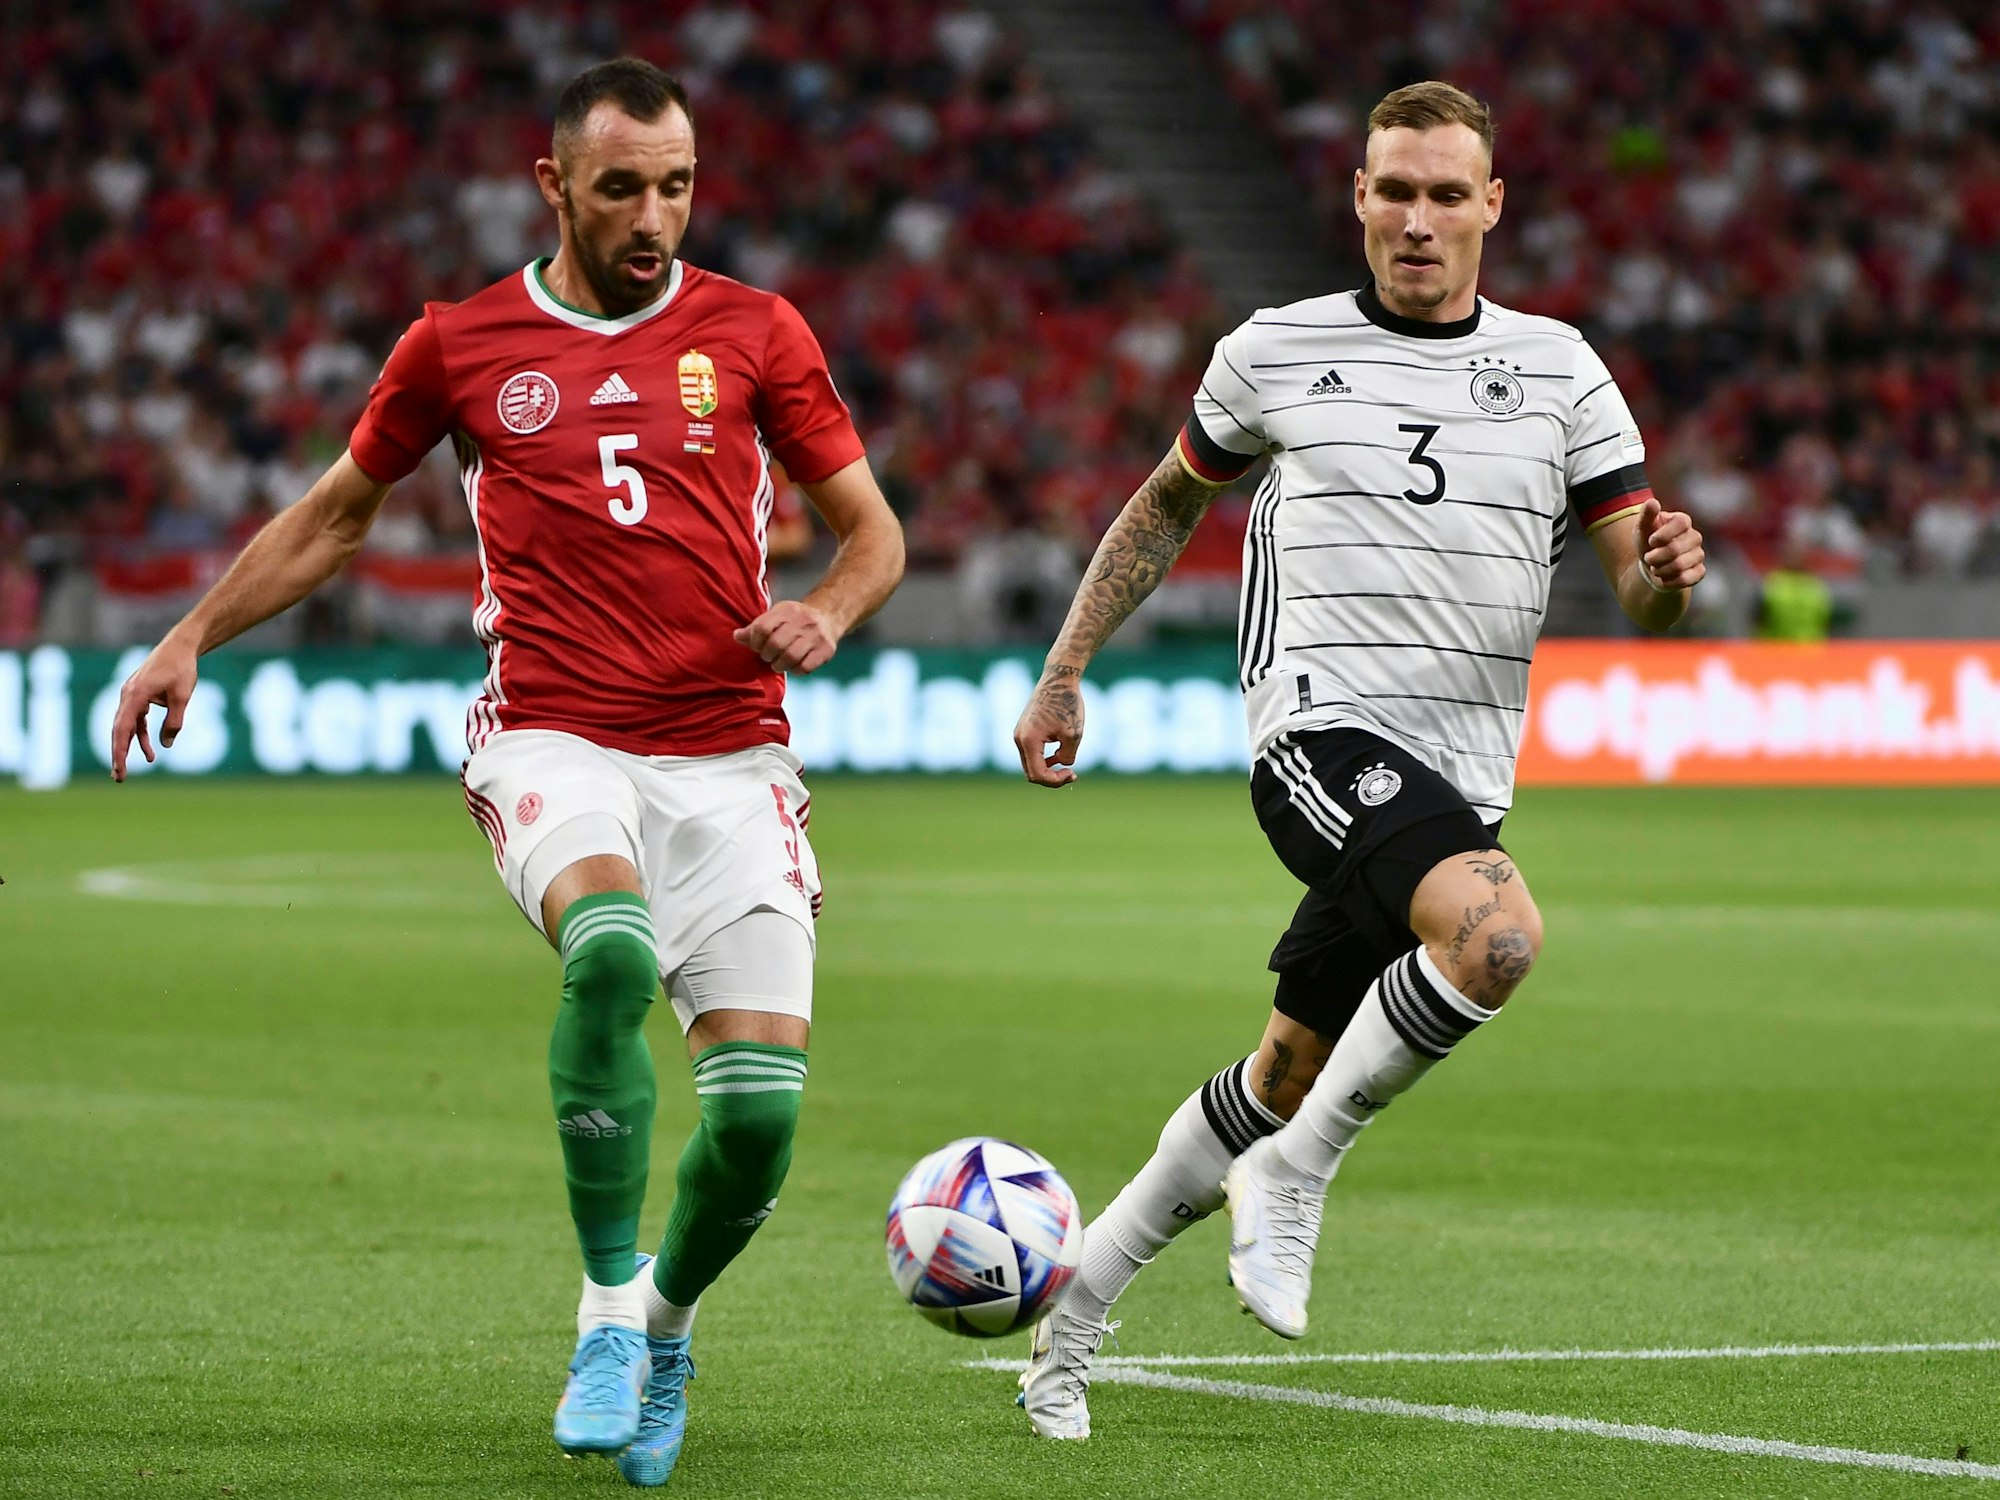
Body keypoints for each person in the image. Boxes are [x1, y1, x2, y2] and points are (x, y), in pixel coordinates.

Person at [108, 59, 905, 1486]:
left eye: (676, 186)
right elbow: (336, 516)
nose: (653, 216)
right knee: (611, 956)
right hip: (554, 733)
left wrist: (830, 612)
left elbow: (873, 533)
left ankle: (663, 1329)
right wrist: (188, 637)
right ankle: (604, 1312)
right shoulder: (460, 343)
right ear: (553, 185)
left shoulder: (757, 330)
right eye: (621, 188)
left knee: (759, 1124)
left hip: (731, 755)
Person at [1009, 81, 1703, 1439]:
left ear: (1491, 205)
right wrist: (1065, 666)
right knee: (1496, 935)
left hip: (1459, 782)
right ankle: (1299, 1173)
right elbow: (1164, 508)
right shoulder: (1275, 352)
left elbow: (1640, 583)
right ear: (1359, 199)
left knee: (1276, 1073)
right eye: (1396, 191)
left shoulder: (1563, 372)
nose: (1419, 220)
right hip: (1317, 736)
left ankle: (1072, 1317)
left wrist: (1671, 577)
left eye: (1447, 194)